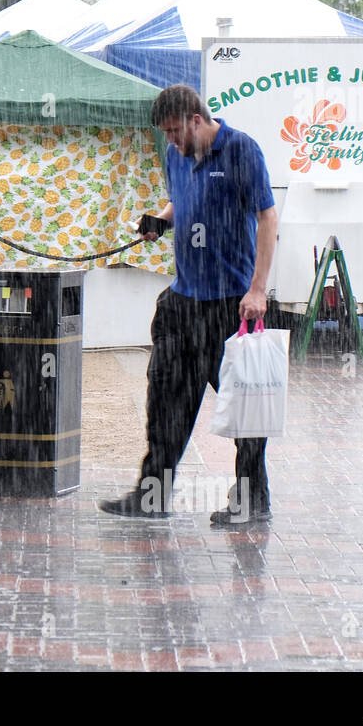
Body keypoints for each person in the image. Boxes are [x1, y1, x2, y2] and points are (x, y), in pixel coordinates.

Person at [100, 84, 279, 525]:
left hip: (230, 307)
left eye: (176, 131)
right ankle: (152, 496)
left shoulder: (241, 151)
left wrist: (257, 290)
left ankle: (252, 499)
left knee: (244, 411)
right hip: (183, 302)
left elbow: (267, 217)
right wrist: (160, 221)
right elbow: (181, 201)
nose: (172, 141)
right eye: (166, 133)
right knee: (165, 406)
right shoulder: (175, 154)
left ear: (197, 120)